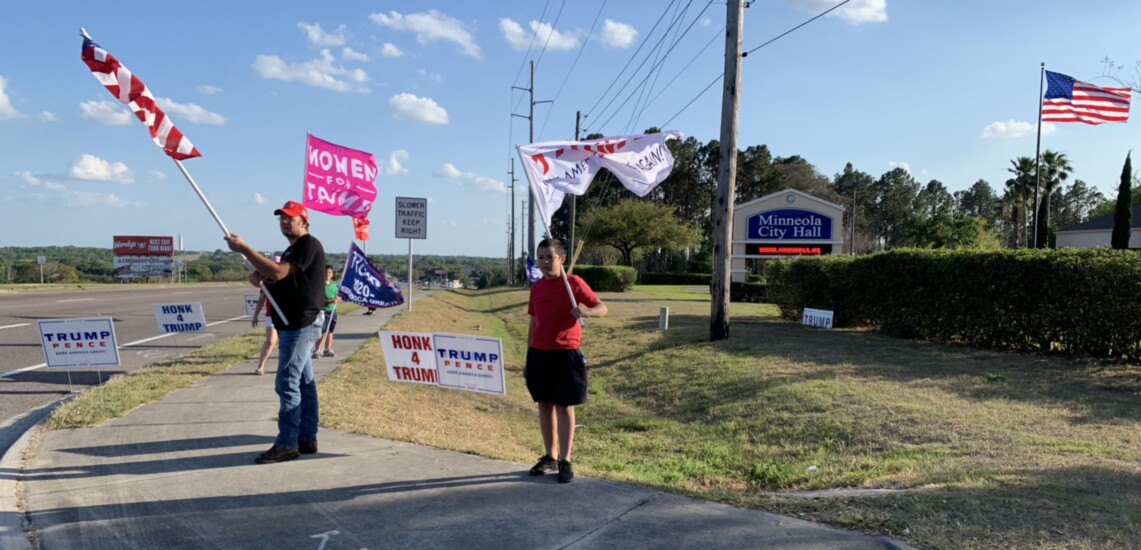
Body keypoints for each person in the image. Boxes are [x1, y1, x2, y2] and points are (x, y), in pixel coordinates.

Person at [225, 200, 326, 464]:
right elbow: (284, 279)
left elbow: (280, 272)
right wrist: (263, 278)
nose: (284, 222)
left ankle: (287, 444)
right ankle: (306, 438)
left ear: (303, 221)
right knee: (304, 383)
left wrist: (245, 249)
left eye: (290, 218)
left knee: (286, 383)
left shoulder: (308, 244)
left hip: (300, 325)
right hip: (295, 322)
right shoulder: (292, 250)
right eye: (281, 218)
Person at [524, 238, 607, 483]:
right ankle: (550, 455)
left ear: (562, 258)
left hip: (565, 353)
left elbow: (602, 307)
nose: (545, 262)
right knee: (544, 404)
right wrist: (528, 356)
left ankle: (565, 459)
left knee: (563, 406)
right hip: (539, 353)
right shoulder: (536, 288)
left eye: (550, 257)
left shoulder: (573, 284)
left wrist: (587, 312)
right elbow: (533, 321)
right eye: (541, 257)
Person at [251, 255, 282, 375]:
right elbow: (260, 300)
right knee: (270, 341)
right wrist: (255, 316)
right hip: (271, 315)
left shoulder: (286, 281)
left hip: (286, 316)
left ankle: (282, 366)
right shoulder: (266, 284)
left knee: (285, 342)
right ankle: (261, 366)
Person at [314, 265, 339, 358]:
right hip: (322, 311)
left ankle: (327, 349)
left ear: (332, 274)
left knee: (330, 331)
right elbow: (318, 299)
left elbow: (336, 295)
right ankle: (317, 350)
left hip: (333, 310)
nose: (327, 274)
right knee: (322, 331)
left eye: (329, 272)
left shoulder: (333, 284)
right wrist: (331, 300)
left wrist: (336, 299)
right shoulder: (319, 285)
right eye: (325, 272)